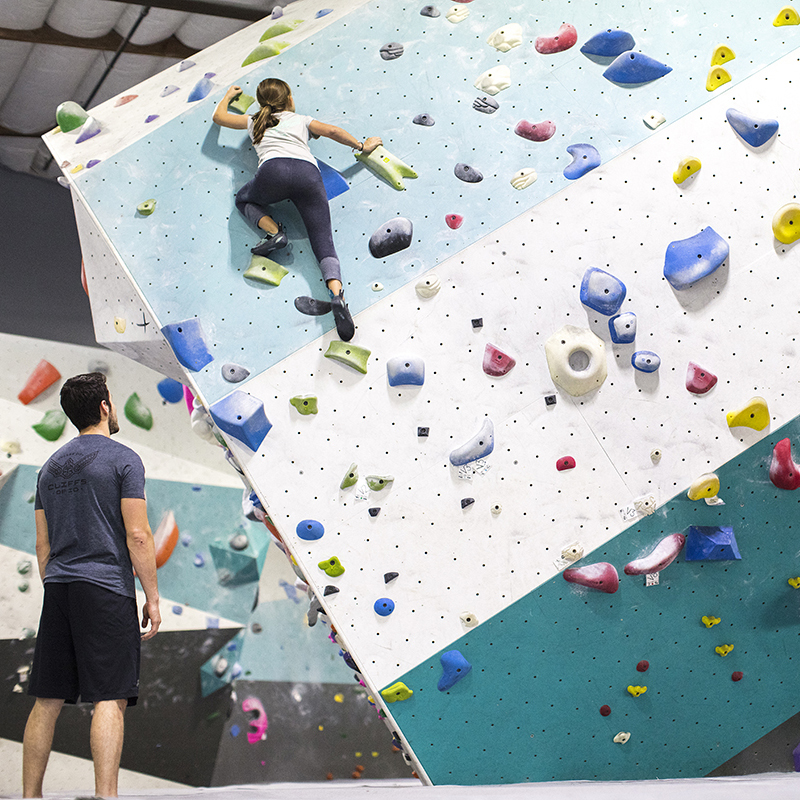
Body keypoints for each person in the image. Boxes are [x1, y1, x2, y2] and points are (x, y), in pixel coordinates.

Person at [22, 373, 160, 799]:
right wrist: (152, 597)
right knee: (111, 695)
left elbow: (43, 544)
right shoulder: (123, 459)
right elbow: (138, 536)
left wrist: (59, 585)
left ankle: (29, 797)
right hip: (104, 588)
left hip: (59, 587)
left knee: (47, 697)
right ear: (104, 407)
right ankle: (106, 797)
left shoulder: (49, 468)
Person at [212, 77, 382, 341]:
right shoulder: (302, 120)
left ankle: (273, 232)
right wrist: (362, 146)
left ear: (261, 103)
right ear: (290, 99)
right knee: (324, 242)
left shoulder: (253, 120)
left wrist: (228, 96)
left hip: (272, 173)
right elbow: (334, 132)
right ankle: (337, 295)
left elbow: (219, 118)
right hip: (307, 175)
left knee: (244, 200)